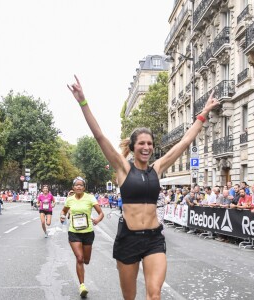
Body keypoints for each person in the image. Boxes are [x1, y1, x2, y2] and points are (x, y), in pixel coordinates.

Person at [67, 75, 219, 300]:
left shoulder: (157, 168)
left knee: (154, 295)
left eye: (150, 144)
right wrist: (83, 102)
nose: (147, 147)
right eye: (142, 143)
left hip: (154, 239)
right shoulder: (123, 168)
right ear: (133, 146)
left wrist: (203, 114)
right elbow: (99, 135)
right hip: (128, 238)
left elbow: (185, 142)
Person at [60, 177, 104, 298]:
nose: (79, 187)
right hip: (74, 232)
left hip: (88, 232)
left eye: (81, 185)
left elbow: (101, 213)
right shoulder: (69, 200)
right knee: (79, 258)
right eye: (76, 185)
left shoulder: (90, 198)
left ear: (84, 187)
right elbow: (63, 211)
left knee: (86, 260)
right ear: (73, 187)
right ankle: (82, 286)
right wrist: (62, 216)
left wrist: (97, 220)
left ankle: (83, 270)